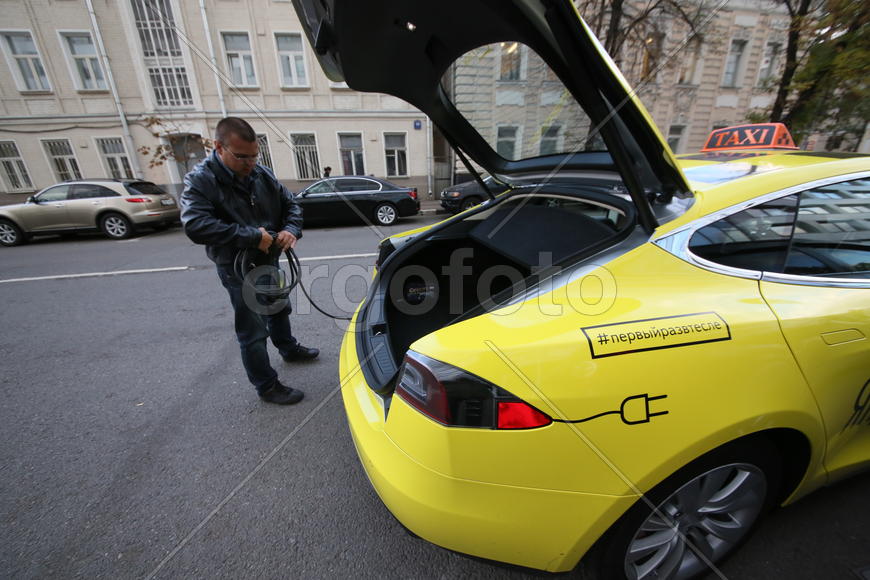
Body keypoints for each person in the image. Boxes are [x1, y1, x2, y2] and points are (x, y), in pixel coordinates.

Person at [180, 117, 318, 405]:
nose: (250, 163)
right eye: (242, 156)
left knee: (278, 306)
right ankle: (267, 386)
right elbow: (195, 225)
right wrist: (252, 237)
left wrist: (290, 230)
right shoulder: (201, 180)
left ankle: (288, 348)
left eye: (255, 155)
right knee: (253, 330)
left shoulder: (261, 173)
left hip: (269, 258)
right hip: (237, 267)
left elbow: (291, 204)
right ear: (219, 147)